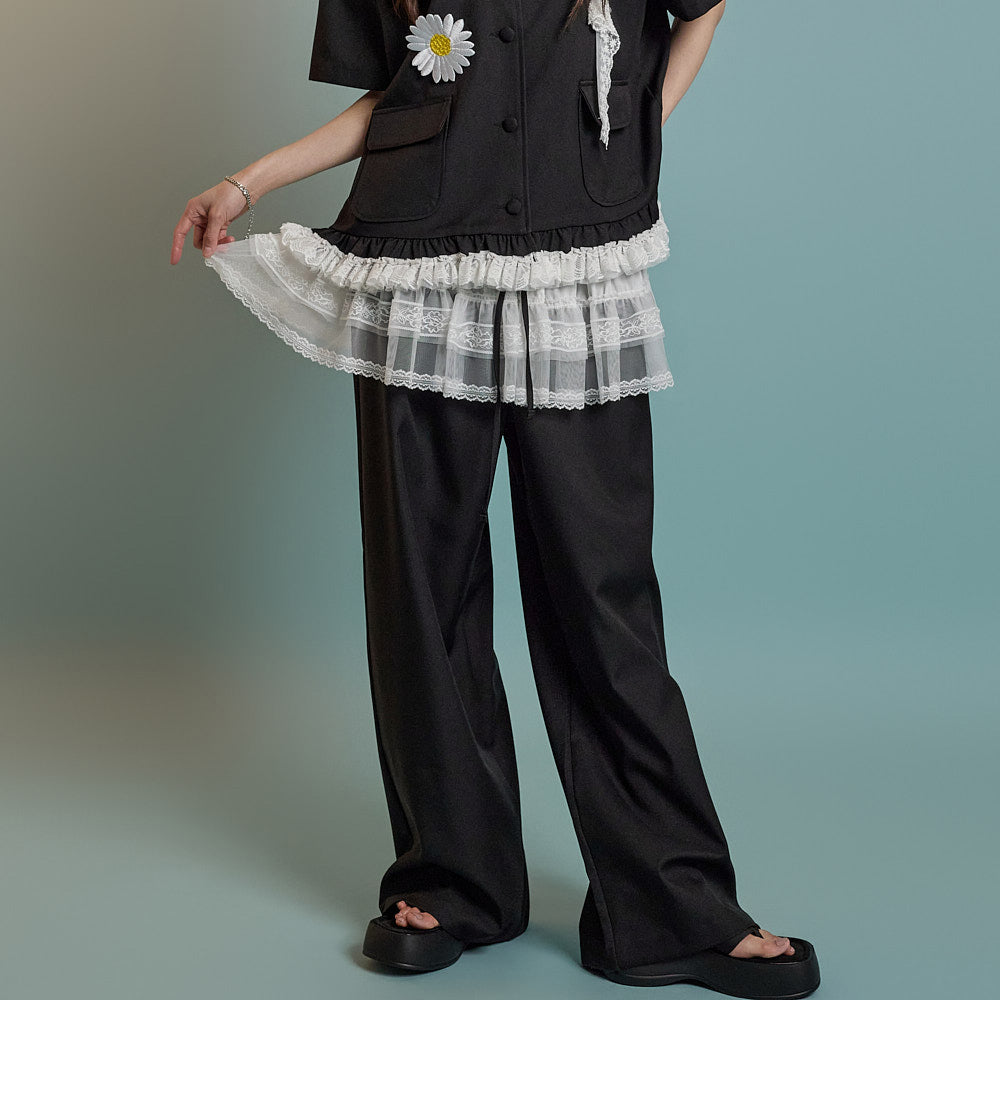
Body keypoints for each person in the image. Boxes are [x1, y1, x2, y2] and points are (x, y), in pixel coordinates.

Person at [170, 0, 820, 999]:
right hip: (417, 268)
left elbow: (702, 7)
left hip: (581, 258)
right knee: (422, 586)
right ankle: (455, 881)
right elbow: (393, 98)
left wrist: (632, 126)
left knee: (601, 592)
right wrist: (247, 179)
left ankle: (669, 908)